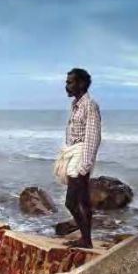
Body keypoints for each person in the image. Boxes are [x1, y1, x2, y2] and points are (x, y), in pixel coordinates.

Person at [53, 68, 102, 248]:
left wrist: (85, 164)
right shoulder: (76, 104)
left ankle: (86, 239)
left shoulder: (89, 105)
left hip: (81, 155)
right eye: (67, 82)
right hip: (74, 151)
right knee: (82, 200)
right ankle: (86, 240)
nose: (67, 86)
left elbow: (93, 136)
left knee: (71, 201)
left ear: (81, 83)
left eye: (70, 82)